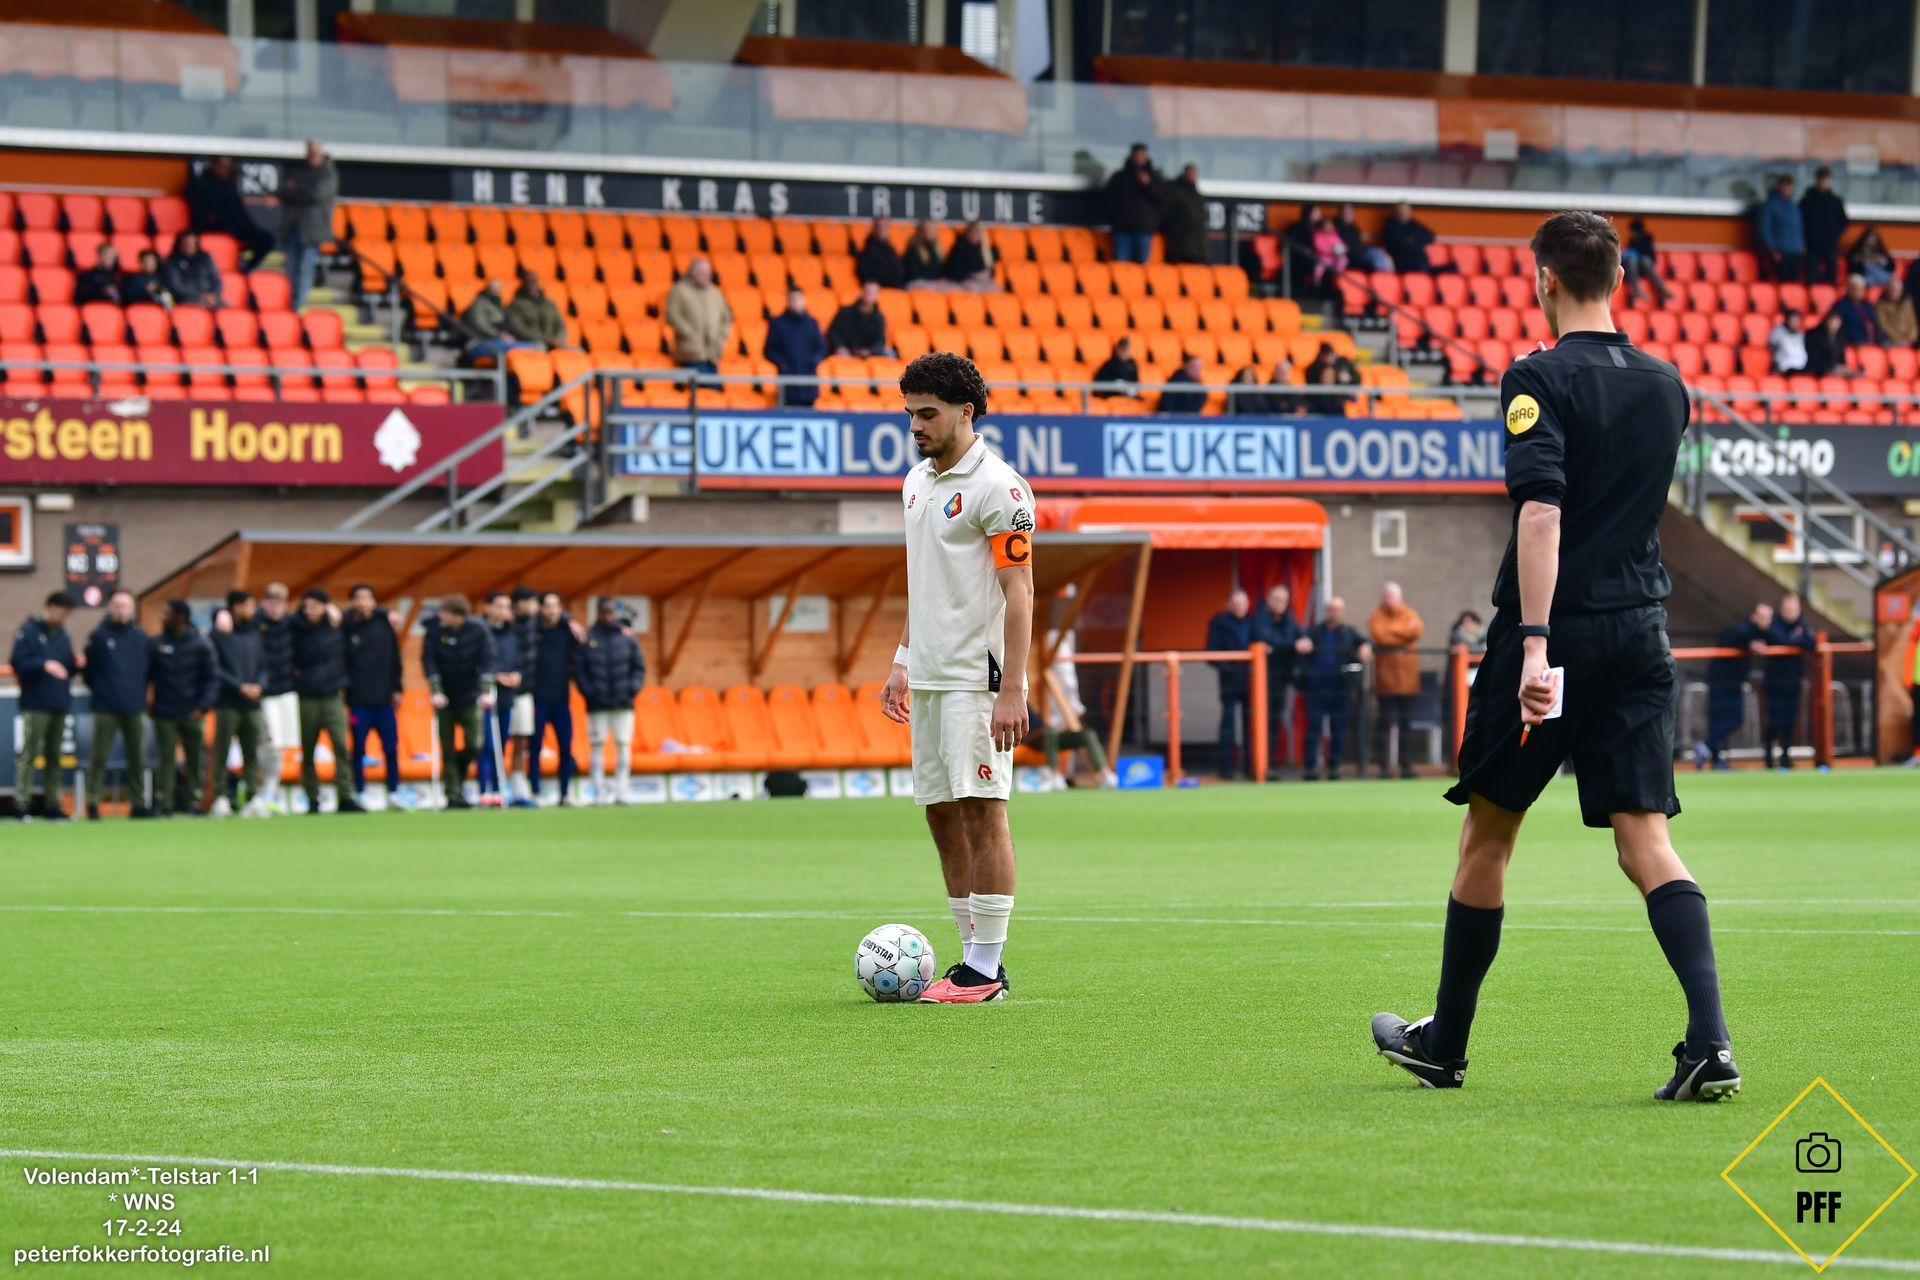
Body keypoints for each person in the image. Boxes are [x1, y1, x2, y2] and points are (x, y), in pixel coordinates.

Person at [1373, 210, 1740, 1103]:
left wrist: (1535, 645)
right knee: (1646, 839)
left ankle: (1445, 1045)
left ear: (1544, 279)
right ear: (1619, 280)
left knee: (1489, 833)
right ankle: (1711, 1042)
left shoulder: (1535, 376)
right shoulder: (1668, 384)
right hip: (1641, 629)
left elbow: (1543, 513)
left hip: (1555, 634)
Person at [880, 351, 1034, 1003]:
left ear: (965, 412)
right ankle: (970, 960)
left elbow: (1020, 591)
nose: (915, 425)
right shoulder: (916, 482)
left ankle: (985, 970)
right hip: (930, 676)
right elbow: (924, 582)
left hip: (977, 680)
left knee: (983, 813)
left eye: (927, 413)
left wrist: (1013, 688)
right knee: (941, 815)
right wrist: (902, 660)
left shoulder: (1001, 488)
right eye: (910, 413)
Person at [83, 589, 152, 819]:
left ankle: (138, 803)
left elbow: (148, 671)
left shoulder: (140, 637)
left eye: (126, 606)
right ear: (110, 607)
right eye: (118, 605)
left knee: (137, 758)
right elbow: (89, 672)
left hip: (135, 706)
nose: (122, 610)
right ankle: (93, 802)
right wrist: (103, 692)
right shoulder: (99, 636)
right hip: (106, 707)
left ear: (132, 609)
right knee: (99, 757)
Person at [292, 588, 361, 814]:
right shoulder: (295, 628)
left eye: (314, 606)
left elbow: (364, 615)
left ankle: (346, 796)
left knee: (341, 747)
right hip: (307, 697)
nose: (309, 611)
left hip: (333, 696)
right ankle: (312, 799)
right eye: (306, 606)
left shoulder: (338, 625)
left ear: (325, 607)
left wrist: (337, 612)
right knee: (308, 750)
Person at [10, 591, 78, 822]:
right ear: (50, 607)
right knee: (29, 755)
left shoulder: (63, 634)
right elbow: (18, 663)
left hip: (59, 702)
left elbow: (66, 668)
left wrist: (76, 664)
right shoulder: (28, 631)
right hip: (36, 704)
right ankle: (22, 804)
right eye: (62, 612)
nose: (64, 617)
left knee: (55, 757)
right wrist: (43, 665)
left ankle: (52, 803)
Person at [423, 594, 495, 810]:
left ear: (458, 616)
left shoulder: (478, 630)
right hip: (445, 698)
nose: (441, 617)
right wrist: (436, 691)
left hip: (470, 695)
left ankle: (458, 772)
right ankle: (453, 795)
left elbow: (488, 659)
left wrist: (485, 691)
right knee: (447, 748)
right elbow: (429, 661)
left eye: (445, 614)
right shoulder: (434, 631)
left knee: (474, 744)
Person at [147, 600, 217, 819]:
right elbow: (146, 676)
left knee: (195, 760)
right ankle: (165, 803)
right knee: (165, 759)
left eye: (168, 613)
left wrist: (203, 706)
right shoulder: (156, 643)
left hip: (192, 712)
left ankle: (194, 802)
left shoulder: (200, 644)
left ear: (180, 617)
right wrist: (149, 703)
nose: (163, 617)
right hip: (164, 712)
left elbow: (212, 678)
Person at [209, 588, 271, 818]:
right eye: (249, 606)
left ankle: (252, 797)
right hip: (228, 702)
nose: (253, 610)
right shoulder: (219, 634)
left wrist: (260, 685)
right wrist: (238, 686)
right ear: (236, 607)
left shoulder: (256, 633)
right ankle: (220, 798)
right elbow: (215, 667)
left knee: (252, 752)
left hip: (253, 703)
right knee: (222, 751)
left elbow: (265, 665)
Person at [578, 598, 646, 805]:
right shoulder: (588, 638)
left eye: (611, 612)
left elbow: (639, 666)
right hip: (597, 703)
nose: (608, 616)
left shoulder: (626, 637)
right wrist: (589, 692)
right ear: (598, 613)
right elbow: (579, 670)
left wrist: (632, 688)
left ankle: (621, 790)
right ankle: (599, 791)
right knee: (597, 744)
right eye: (604, 612)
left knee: (623, 744)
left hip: (623, 702)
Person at [342, 583, 404, 804]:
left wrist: (397, 688)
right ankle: (359, 792)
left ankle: (393, 791)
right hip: (358, 701)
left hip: (384, 700)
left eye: (367, 598)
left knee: (390, 747)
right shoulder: (346, 626)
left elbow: (395, 659)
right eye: (358, 598)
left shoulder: (384, 624)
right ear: (352, 602)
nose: (363, 603)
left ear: (374, 601)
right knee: (358, 748)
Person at [1297, 596, 1368, 781]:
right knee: (1313, 728)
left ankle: (1334, 767)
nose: (1332, 613)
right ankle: (1310, 767)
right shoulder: (1315, 631)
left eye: (1336, 609)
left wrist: (1365, 647)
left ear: (1342, 612)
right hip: (1317, 688)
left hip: (1340, 689)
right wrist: (1301, 645)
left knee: (1338, 729)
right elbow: (1301, 642)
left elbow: (1365, 642)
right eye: (1330, 609)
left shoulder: (1349, 633)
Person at [1694, 602, 1771, 771]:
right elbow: (1734, 637)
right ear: (1754, 616)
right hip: (1720, 680)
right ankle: (1714, 758)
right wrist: (1750, 644)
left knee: (1736, 719)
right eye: (1763, 617)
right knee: (1718, 719)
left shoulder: (1763, 633)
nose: (1766, 621)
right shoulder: (1743, 630)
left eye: (1768, 618)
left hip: (1735, 682)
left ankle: (1706, 746)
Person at [529, 591, 584, 806]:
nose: (552, 611)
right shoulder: (533, 631)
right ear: (541, 608)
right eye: (548, 606)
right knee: (534, 748)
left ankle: (565, 793)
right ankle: (535, 791)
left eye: (556, 606)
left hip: (561, 699)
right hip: (537, 699)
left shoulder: (567, 631)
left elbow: (582, 650)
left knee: (565, 747)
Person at [1369, 582, 1424, 780]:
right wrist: (1402, 634)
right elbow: (1380, 635)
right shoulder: (1376, 616)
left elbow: (1416, 630)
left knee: (1406, 725)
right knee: (1384, 724)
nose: (1388, 600)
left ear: (1399, 597)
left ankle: (1406, 766)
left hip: (1408, 682)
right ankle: (1383, 766)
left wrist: (1392, 631)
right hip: (1385, 682)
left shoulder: (1410, 613)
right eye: (1386, 596)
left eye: (1391, 596)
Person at [478, 591, 527, 807]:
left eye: (507, 607)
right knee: (486, 745)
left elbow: (519, 660)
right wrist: (495, 676)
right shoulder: (479, 631)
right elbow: (478, 662)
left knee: (501, 745)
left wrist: (516, 675)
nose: (503, 611)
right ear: (488, 607)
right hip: (485, 696)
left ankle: (498, 790)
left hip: (507, 697)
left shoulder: (513, 634)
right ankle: (484, 791)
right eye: (499, 606)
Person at [252, 582, 298, 814]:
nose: (275, 607)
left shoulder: (293, 623)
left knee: (280, 745)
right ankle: (257, 788)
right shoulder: (255, 623)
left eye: (279, 603)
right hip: (264, 693)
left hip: (287, 690)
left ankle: (270, 791)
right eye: (271, 602)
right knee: (268, 743)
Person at [186, 155, 274, 272]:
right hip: (211, 228)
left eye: (228, 167)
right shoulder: (201, 184)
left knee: (266, 239)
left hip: (236, 227)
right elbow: (198, 213)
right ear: (214, 166)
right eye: (222, 166)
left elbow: (240, 214)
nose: (225, 170)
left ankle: (244, 271)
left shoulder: (229, 185)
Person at [279, 138, 337, 311]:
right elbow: (287, 192)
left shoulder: (328, 173)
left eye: (315, 154)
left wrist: (298, 189)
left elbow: (316, 194)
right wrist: (301, 190)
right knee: (291, 267)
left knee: (305, 267)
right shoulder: (302, 170)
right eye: (310, 154)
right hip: (295, 226)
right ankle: (288, 302)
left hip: (313, 230)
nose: (312, 157)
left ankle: (298, 305)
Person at [1251, 584, 1303, 773]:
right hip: (1262, 680)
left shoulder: (1289, 620)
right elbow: (1268, 640)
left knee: (1275, 721)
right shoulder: (1260, 620)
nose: (1281, 603)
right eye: (1278, 599)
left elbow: (1300, 636)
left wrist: (1303, 642)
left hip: (1282, 679)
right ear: (1269, 600)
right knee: (1261, 721)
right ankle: (1258, 764)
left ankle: (1270, 762)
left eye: (1285, 600)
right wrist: (1293, 645)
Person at [1763, 594, 1815, 770]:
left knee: (1789, 722)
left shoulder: (1802, 625)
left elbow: (1811, 642)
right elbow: (1780, 639)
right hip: (1774, 683)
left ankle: (1785, 757)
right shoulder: (1774, 625)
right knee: (1775, 720)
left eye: (1793, 609)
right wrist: (1796, 641)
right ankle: (1768, 756)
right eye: (1787, 609)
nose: (1790, 612)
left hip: (1793, 682)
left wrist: (1795, 641)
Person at [1206, 590, 1253, 779]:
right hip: (1229, 681)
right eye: (1235, 603)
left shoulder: (1254, 622)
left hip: (1252, 681)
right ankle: (1226, 768)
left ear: (1248, 605)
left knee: (1251, 724)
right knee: (1228, 724)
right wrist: (1228, 669)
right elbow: (1211, 652)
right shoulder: (1219, 623)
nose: (1239, 607)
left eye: (1242, 603)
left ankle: (1251, 766)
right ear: (1228, 605)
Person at [664, 257, 732, 373]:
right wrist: (689, 332)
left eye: (708, 273)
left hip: (713, 353)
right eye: (702, 273)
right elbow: (671, 314)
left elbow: (726, 317)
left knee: (713, 383)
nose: (706, 276)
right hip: (690, 352)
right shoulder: (680, 290)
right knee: (699, 382)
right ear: (692, 272)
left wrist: (721, 336)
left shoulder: (715, 293)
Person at [764, 287, 826, 407]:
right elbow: (769, 350)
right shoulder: (778, 323)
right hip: (787, 380)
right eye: (793, 299)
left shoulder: (812, 323)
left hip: (808, 379)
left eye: (798, 299)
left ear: (804, 300)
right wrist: (782, 363)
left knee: (809, 414)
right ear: (788, 301)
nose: (796, 302)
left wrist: (813, 362)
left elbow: (821, 348)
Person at [1104, 142, 1165, 265]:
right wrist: (1114, 219)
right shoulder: (1120, 177)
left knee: (1142, 266)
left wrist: (1149, 185)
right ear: (1131, 156)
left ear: (1146, 157)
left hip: (1143, 229)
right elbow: (1108, 199)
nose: (1139, 158)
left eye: (1142, 155)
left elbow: (1162, 199)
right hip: (1122, 229)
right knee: (1121, 266)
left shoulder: (1153, 178)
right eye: (1137, 155)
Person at [459, 280, 539, 366]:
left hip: (498, 342)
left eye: (498, 289)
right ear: (487, 289)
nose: (497, 292)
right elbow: (479, 325)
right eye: (493, 289)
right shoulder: (479, 304)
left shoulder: (499, 307)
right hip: (479, 343)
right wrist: (500, 335)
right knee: (526, 348)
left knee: (532, 347)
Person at [1800, 168, 1848, 285]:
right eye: (1821, 180)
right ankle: (1811, 294)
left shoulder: (1835, 201)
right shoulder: (1807, 201)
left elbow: (1843, 221)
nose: (1823, 183)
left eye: (1826, 180)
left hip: (1830, 243)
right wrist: (1806, 237)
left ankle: (1830, 294)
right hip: (1812, 244)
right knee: (1811, 275)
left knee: (1832, 273)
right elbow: (1799, 222)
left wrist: (1834, 234)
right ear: (1817, 181)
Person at [1757, 175, 1805, 284]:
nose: (1788, 190)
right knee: (1782, 284)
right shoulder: (1771, 205)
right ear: (1780, 187)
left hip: (1795, 251)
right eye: (1785, 186)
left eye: (1790, 187)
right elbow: (1764, 228)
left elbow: (1798, 227)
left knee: (1793, 284)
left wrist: (1801, 245)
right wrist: (1772, 248)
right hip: (1780, 252)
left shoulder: (1793, 205)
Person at [827, 282, 892, 358]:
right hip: (845, 351)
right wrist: (840, 347)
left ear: (877, 295)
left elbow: (880, 340)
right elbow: (833, 332)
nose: (869, 295)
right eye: (867, 291)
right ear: (861, 292)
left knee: (890, 354)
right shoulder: (845, 312)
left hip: (868, 353)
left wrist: (870, 351)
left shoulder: (879, 317)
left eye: (873, 292)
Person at [504, 273, 568, 349]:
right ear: (523, 283)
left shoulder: (549, 304)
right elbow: (519, 328)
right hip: (531, 343)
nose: (532, 284)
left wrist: (558, 339)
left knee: (576, 351)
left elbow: (560, 325)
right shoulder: (515, 305)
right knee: (541, 348)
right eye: (528, 281)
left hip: (555, 343)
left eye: (534, 281)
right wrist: (545, 339)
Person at [162, 230, 223, 308]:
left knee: (226, 310)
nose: (189, 246)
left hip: (210, 297)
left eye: (192, 243)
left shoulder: (205, 258)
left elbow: (216, 280)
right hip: (186, 298)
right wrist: (200, 295)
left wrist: (213, 294)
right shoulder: (172, 261)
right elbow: (176, 286)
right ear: (179, 244)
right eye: (186, 243)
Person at [1381, 202, 1446, 275]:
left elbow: (1430, 236)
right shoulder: (1390, 227)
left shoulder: (1413, 224)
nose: (1404, 214)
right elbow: (1402, 244)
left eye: (1406, 212)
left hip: (1421, 261)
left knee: (1447, 270)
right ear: (1395, 213)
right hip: (1402, 263)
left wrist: (1414, 239)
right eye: (1401, 212)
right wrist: (1416, 240)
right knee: (1422, 268)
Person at [1161, 163, 1207, 265]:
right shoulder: (1175, 192)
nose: (1192, 176)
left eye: (1194, 173)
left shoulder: (1197, 196)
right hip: (1179, 245)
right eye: (1190, 173)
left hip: (1197, 246)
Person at [1621, 219, 1671, 306]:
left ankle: (1662, 288)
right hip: (1631, 269)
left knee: (1645, 260)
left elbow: (1651, 257)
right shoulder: (1631, 241)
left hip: (1644, 267)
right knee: (1631, 259)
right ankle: (1636, 288)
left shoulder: (1647, 239)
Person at [1304, 341, 1359, 414]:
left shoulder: (1342, 364)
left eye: (1330, 375)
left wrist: (1347, 380)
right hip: (1319, 407)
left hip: (1336, 408)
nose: (1328, 377)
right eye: (1325, 375)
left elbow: (1356, 381)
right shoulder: (1313, 369)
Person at [1827, 275, 1878, 349]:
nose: (1859, 292)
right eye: (1855, 289)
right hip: (1852, 343)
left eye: (1861, 289)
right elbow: (1839, 329)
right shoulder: (1840, 305)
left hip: (1871, 343)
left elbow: (1875, 323)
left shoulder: (1867, 305)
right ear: (1849, 289)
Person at [941, 219, 995, 291]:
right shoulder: (959, 247)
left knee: (994, 289)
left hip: (981, 282)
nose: (974, 234)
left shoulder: (985, 250)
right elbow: (957, 272)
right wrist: (973, 276)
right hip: (962, 282)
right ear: (967, 233)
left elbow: (991, 272)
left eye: (977, 232)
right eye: (971, 232)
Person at [856, 217, 904, 290]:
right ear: (874, 228)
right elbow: (865, 273)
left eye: (885, 227)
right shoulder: (868, 249)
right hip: (879, 286)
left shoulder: (890, 248)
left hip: (897, 286)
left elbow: (898, 268)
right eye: (880, 226)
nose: (883, 230)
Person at [1876, 274, 1918, 348]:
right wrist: (1899, 339)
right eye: (1893, 289)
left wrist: (1911, 338)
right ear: (1888, 289)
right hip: (1891, 339)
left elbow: (1912, 321)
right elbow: (1884, 325)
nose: (1895, 292)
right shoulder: (1881, 304)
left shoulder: (1907, 302)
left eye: (1898, 290)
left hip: (1909, 340)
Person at [1805, 310, 1849, 377]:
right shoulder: (1814, 335)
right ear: (1826, 321)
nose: (1834, 324)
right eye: (1832, 320)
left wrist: (1842, 367)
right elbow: (1814, 358)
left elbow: (1841, 358)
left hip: (1835, 371)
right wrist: (1831, 368)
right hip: (1819, 371)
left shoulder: (1840, 338)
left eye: (1836, 321)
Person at [902, 221, 944, 287]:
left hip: (932, 282)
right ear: (920, 231)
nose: (929, 232)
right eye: (926, 229)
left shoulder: (936, 249)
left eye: (932, 229)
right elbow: (914, 274)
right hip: (916, 282)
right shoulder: (913, 249)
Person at [1310, 214, 1348, 289]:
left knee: (1343, 259)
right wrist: (1330, 251)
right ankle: (1317, 279)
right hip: (1323, 256)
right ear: (1322, 226)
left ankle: (1338, 273)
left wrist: (1344, 249)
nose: (1329, 227)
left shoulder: (1334, 235)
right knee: (1320, 264)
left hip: (1334, 257)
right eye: (1327, 225)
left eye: (1330, 225)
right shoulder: (1318, 234)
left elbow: (1341, 244)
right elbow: (1319, 246)